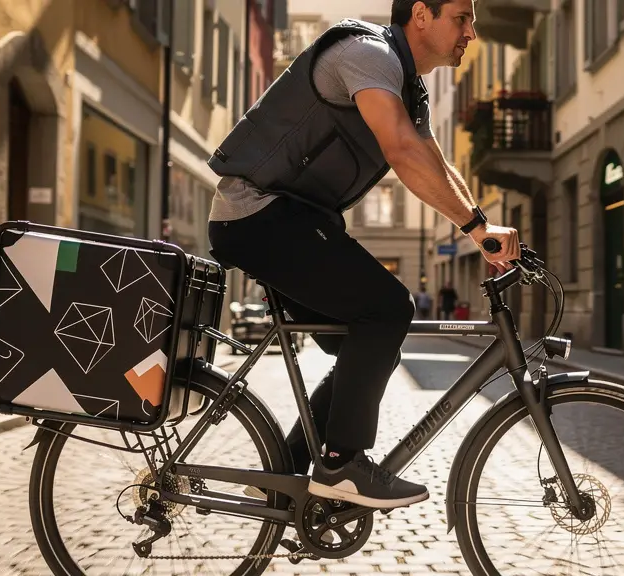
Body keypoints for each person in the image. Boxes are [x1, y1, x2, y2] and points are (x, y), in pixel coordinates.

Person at [206, 0, 521, 510]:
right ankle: (343, 464)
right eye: (461, 18)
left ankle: (283, 472)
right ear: (421, 14)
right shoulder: (366, 53)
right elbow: (401, 150)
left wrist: (481, 231)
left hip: (287, 220)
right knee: (390, 307)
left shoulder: (407, 87)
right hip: (258, 214)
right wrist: (476, 227)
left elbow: (435, 165)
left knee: (373, 342)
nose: (471, 32)